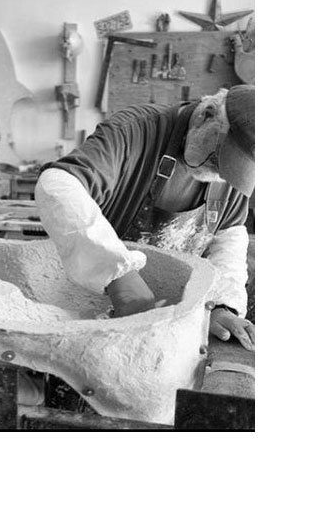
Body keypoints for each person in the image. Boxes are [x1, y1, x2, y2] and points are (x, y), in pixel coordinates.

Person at [35, 84, 254, 350]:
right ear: (206, 114)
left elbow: (229, 237)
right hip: (93, 309)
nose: (221, 174)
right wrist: (118, 275)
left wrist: (220, 306)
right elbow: (56, 185)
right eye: (219, 158)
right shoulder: (134, 130)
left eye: (232, 171)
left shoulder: (231, 176)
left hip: (169, 329)